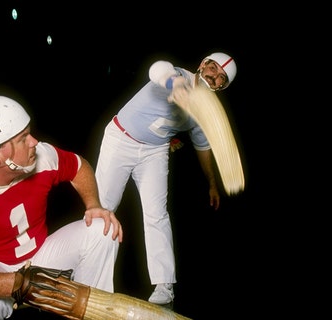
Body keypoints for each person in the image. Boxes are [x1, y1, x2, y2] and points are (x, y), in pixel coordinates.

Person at [0, 95, 123, 320]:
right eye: (23, 138)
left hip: (41, 261)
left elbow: (78, 166)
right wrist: (15, 282)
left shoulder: (41, 156)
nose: (34, 142)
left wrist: (93, 204)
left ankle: (92, 312)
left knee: (102, 228)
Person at [94, 52, 237, 305]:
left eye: (221, 80)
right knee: (104, 208)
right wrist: (175, 84)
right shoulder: (179, 75)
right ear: (203, 64)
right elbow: (157, 68)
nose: (214, 77)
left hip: (154, 151)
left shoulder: (205, 113)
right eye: (213, 69)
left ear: (220, 88)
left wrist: (212, 184)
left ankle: (164, 289)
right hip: (120, 139)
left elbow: (203, 149)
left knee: (157, 214)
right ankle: (91, 276)